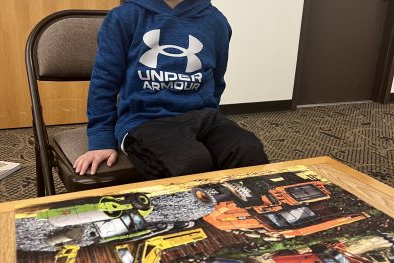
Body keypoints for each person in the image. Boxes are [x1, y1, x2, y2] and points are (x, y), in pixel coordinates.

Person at [73, 0, 269, 179]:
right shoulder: (124, 18)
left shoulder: (216, 22)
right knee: (189, 162)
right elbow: (103, 84)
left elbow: (216, 82)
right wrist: (101, 140)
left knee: (248, 151)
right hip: (146, 120)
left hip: (204, 117)